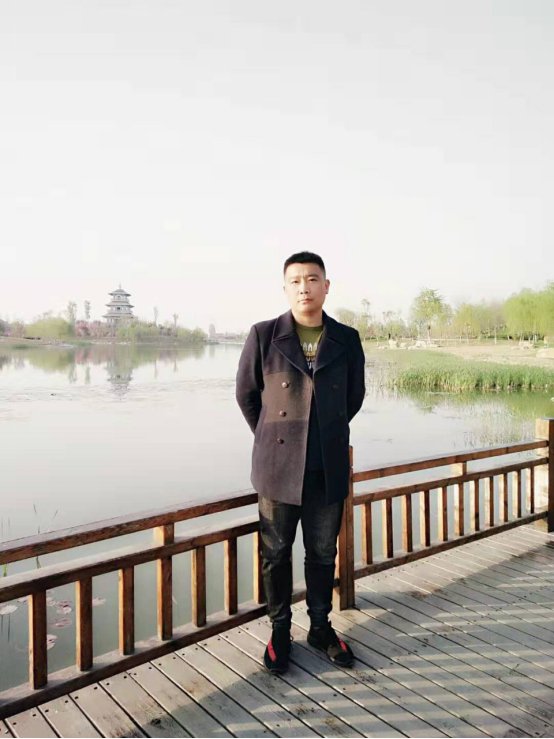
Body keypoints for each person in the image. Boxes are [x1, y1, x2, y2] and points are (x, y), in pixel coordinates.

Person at [235, 251, 366, 673]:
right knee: (275, 553)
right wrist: (275, 438)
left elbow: (353, 397)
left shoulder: (346, 338)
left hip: (327, 466)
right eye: (295, 280)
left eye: (312, 279)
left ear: (326, 286)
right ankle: (279, 630)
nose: (304, 287)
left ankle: (320, 627)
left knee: (323, 552)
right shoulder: (264, 335)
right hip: (277, 468)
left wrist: (324, 431)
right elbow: (247, 396)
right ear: (285, 288)